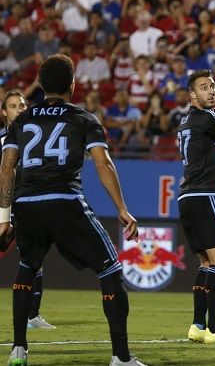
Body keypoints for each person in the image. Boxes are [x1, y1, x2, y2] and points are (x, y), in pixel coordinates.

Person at [0, 54, 145, 365]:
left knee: (27, 266)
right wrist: (122, 208)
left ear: (41, 84)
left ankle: (18, 350)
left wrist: (4, 217)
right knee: (110, 270)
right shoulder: (83, 118)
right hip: (64, 200)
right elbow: (103, 163)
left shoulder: (22, 120)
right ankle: (121, 357)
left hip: (26, 204)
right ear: (72, 83)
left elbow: (7, 169)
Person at [178, 69, 215, 345]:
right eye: (203, 88)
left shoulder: (186, 120)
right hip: (207, 194)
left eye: (212, 86)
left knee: (206, 262)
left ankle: (198, 325)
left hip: (187, 197)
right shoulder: (208, 119)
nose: (210, 91)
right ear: (192, 95)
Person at [0, 92, 55, 330]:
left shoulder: (34, 137)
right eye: (13, 106)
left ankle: (33, 315)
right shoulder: (3, 140)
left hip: (27, 203)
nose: (19, 109)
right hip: (4, 205)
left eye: (22, 105)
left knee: (34, 258)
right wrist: (4, 214)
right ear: (4, 112)